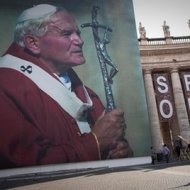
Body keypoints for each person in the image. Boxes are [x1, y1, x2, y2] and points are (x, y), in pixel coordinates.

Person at [0, 4, 133, 169]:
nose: (80, 40)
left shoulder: (87, 94)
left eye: (77, 32)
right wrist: (95, 143)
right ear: (33, 43)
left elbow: (110, 142)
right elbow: (23, 164)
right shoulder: (5, 87)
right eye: (66, 33)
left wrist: (119, 150)